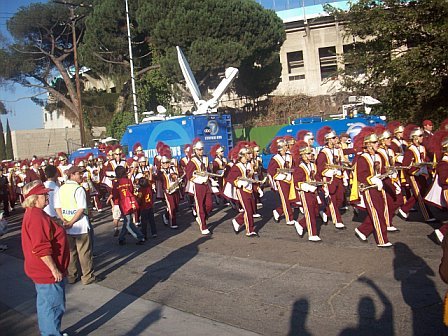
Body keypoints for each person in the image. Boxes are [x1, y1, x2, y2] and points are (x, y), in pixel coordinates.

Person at [21, 180, 70, 336]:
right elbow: (41, 248)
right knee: (53, 306)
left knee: (46, 305)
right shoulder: (36, 216)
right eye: (43, 194)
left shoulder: (36, 214)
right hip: (46, 272)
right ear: (35, 198)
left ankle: (49, 332)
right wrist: (54, 269)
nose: (47, 196)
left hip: (41, 271)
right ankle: (51, 333)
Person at [55, 165, 97, 285]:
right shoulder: (78, 189)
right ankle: (87, 276)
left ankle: (72, 276)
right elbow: (81, 209)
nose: (81, 176)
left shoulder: (61, 188)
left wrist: (64, 221)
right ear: (72, 175)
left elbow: (57, 207)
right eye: (79, 174)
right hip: (80, 226)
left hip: (67, 226)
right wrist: (71, 222)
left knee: (71, 252)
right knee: (84, 253)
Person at [112, 165, 146, 245]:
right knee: (127, 221)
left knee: (128, 223)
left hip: (123, 204)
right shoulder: (128, 180)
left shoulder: (116, 183)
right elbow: (131, 190)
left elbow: (115, 195)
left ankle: (140, 237)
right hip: (131, 202)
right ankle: (121, 238)